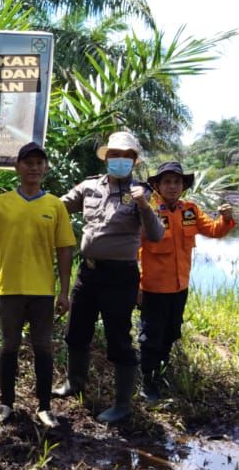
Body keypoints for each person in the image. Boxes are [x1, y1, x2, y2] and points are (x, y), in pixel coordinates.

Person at [0, 142, 75, 429]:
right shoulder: (1, 202)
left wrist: (64, 291)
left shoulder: (55, 205)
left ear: (45, 168)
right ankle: (6, 404)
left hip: (43, 291)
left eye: (39, 163)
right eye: (28, 163)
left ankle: (45, 407)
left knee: (43, 348)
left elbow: (64, 249)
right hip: (8, 288)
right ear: (17, 168)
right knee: (9, 347)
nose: (34, 168)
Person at [54, 130, 164, 424]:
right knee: (76, 330)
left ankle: (122, 405)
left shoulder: (143, 193)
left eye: (126, 156)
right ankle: (74, 382)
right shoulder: (90, 187)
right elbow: (57, 206)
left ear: (134, 161)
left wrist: (143, 205)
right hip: (88, 272)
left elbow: (155, 236)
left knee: (118, 338)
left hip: (121, 276)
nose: (119, 160)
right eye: (114, 155)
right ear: (107, 158)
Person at [138, 160, 236, 403]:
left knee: (171, 332)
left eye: (177, 182)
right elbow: (133, 248)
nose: (172, 186)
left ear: (183, 185)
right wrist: (135, 286)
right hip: (152, 288)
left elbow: (213, 230)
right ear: (158, 185)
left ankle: (161, 373)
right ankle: (147, 382)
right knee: (151, 336)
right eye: (167, 182)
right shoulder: (147, 210)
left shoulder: (189, 210)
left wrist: (225, 219)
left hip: (179, 287)